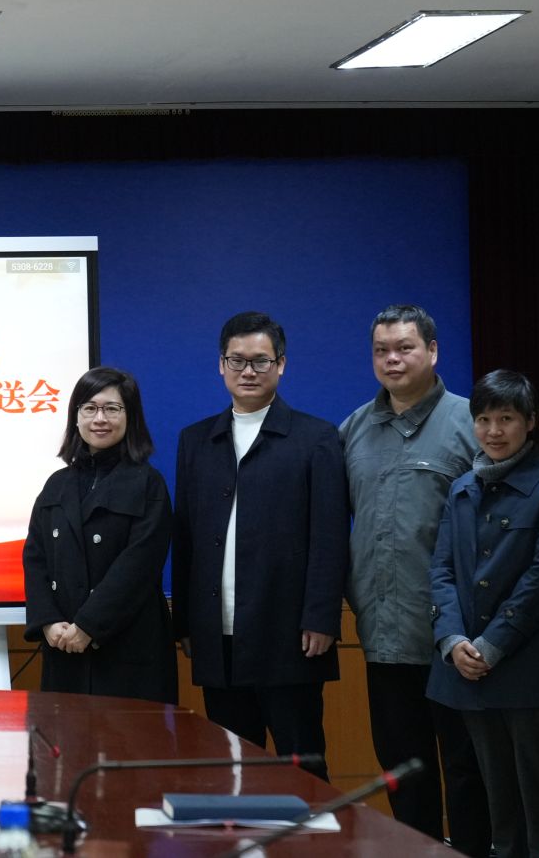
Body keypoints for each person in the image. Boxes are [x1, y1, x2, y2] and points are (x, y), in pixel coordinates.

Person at [172, 311, 348, 778]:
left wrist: (321, 617)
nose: (247, 371)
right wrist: (185, 622)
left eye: (260, 360)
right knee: (232, 767)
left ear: (281, 364)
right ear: (221, 365)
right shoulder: (196, 441)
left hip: (290, 634)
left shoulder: (316, 438)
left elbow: (330, 536)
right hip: (218, 634)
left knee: (302, 765)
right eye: (237, 360)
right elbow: (185, 537)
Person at [339, 304, 487, 854]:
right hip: (384, 638)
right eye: (382, 350)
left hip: (457, 639)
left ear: (433, 351)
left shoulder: (472, 423)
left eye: (405, 348)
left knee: (468, 772)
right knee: (404, 771)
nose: (392, 359)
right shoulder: (353, 430)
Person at [429, 370, 539, 858]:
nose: (494, 431)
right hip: (468, 671)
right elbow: (442, 570)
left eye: (506, 419)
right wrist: (452, 641)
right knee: (499, 810)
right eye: (484, 420)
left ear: (530, 422)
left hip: (529, 673)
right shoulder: (461, 488)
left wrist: (492, 645)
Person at [21, 365, 177, 703]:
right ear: (76, 416)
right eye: (89, 408)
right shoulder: (56, 485)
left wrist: (89, 626)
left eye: (112, 408)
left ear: (130, 416)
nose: (100, 418)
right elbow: (35, 558)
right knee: (66, 735)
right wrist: (48, 622)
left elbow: (138, 566)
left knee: (130, 735)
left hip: (128, 648)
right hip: (64, 645)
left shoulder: (148, 484)